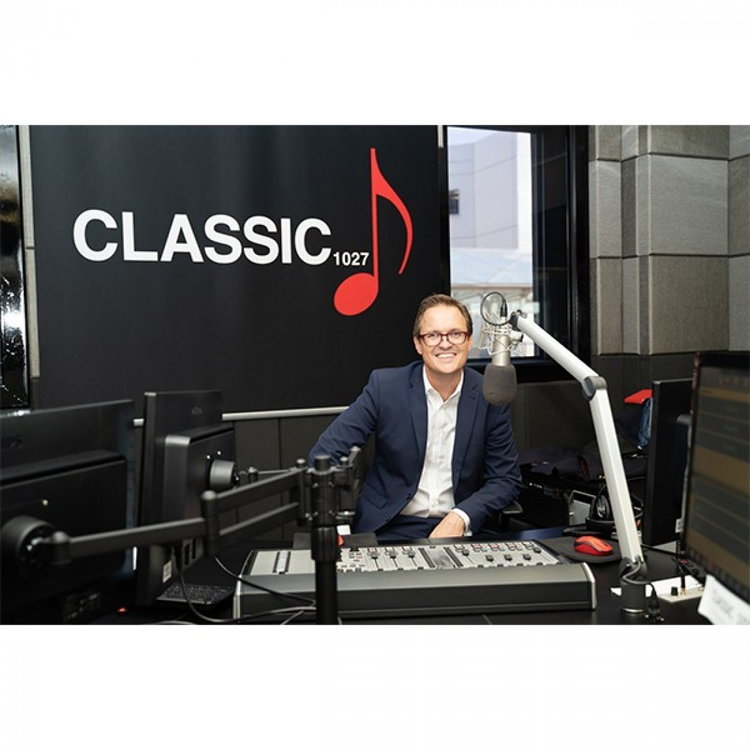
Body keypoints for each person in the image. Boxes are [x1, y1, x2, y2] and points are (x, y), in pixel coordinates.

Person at [309, 293, 522, 541]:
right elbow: (324, 455)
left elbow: (505, 479)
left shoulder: (490, 395)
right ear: (418, 344)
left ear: (469, 340)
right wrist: (337, 525)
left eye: (455, 334)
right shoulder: (385, 388)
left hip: (459, 528)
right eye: (433, 335)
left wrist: (461, 516)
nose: (445, 344)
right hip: (388, 527)